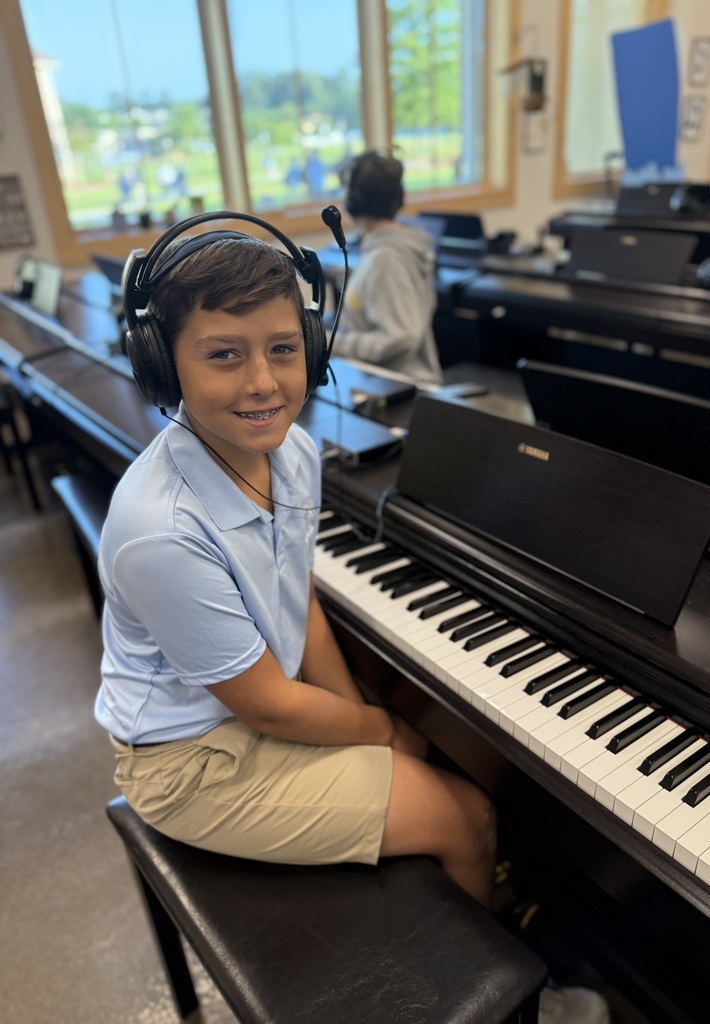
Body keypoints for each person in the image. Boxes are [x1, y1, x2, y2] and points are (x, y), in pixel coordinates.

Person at [93, 216, 496, 908]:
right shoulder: (159, 530)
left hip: (253, 710)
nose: (263, 382)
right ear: (162, 364)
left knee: (446, 742)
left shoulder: (294, 454)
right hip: (190, 761)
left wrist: (359, 724)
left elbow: (297, 599)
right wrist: (380, 731)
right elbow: (273, 709)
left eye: (284, 348)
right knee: (468, 816)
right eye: (223, 355)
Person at [331, 150, 444, 386]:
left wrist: (332, 343)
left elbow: (401, 338)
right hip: (386, 384)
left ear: (352, 201)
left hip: (402, 388)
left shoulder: (386, 259)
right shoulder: (391, 248)